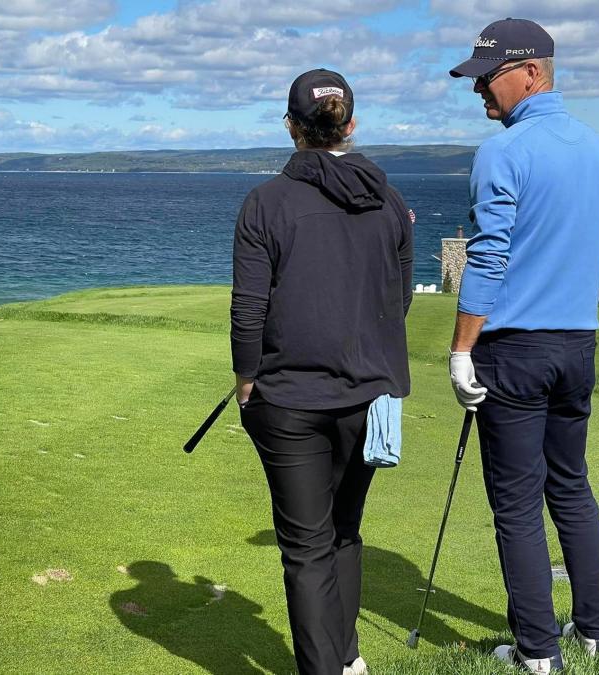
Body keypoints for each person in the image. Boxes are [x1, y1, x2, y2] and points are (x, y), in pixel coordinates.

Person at [446, 18, 599, 674]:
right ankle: (597, 633)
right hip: (578, 345)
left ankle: (536, 650)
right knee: (570, 486)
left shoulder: (503, 151)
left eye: (486, 79)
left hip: (513, 349)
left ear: (531, 72)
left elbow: (488, 257)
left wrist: (462, 350)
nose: (479, 93)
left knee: (517, 501)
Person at [231, 68, 414, 675]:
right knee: (344, 532)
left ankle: (328, 667)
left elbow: (249, 308)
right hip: (369, 395)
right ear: (350, 124)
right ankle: (347, 658)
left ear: (291, 126)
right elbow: (398, 299)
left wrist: (245, 378)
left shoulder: (266, 203)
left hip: (289, 399)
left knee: (309, 548)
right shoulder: (390, 200)